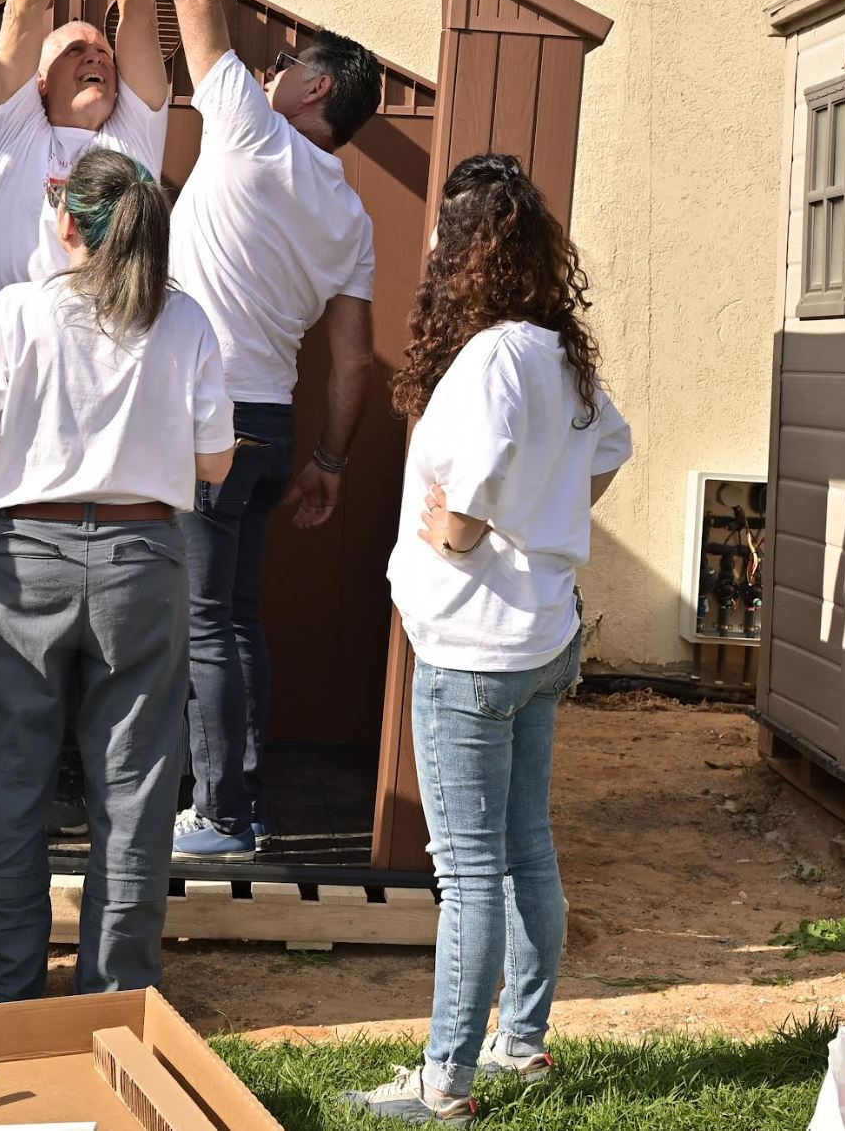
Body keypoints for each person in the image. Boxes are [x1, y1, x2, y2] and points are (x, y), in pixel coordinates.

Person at [344, 154, 631, 1125]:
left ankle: (443, 1082)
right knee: (524, 847)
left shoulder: (490, 360)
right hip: (539, 632)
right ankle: (522, 1043)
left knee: (466, 871)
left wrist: (456, 528)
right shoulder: (556, 351)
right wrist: (542, 517)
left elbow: (460, 516)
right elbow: (609, 450)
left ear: (462, 252)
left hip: (470, 649)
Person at [145, 0, 381, 861]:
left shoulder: (245, 127)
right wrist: (328, 458)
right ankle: (235, 799)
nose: (267, 66)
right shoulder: (350, 212)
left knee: (200, 623)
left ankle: (221, 813)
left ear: (313, 86)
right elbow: (352, 358)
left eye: (289, 62)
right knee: (232, 618)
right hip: (272, 426)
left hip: (202, 414)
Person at [0, 148, 234, 1002]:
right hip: (144, 560)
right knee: (135, 791)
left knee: (5, 778)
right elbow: (214, 463)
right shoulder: (186, 321)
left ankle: (2, 992)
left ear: (66, 223)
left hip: (26, 556)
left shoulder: (19, 310)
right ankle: (118, 995)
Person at [0, 0, 172, 845]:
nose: (96, 58)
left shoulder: (134, 147)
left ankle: (63, 786)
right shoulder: (10, 136)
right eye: (75, 52)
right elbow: (25, 9)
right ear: (37, 82)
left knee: (90, 619)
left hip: (111, 424)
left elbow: (139, 18)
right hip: (7, 415)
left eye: (104, 51)